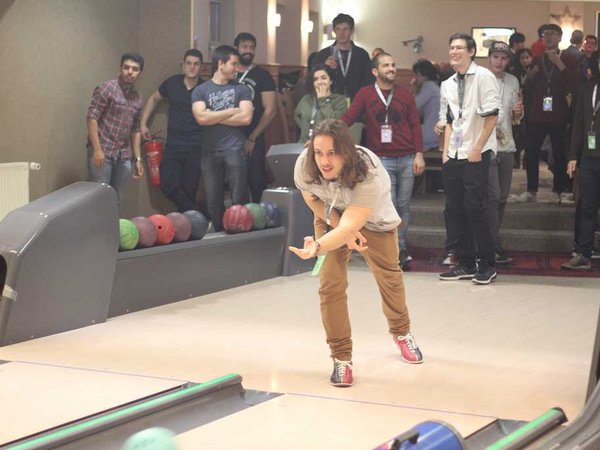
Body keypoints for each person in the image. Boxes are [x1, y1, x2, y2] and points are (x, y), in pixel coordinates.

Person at [289, 118, 423, 387]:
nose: (324, 161)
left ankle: (402, 332)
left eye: (332, 153)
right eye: (319, 153)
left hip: (374, 220)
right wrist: (339, 230)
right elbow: (312, 198)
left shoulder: (368, 173)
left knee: (389, 276)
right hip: (331, 214)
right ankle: (341, 358)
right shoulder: (305, 165)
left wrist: (319, 246)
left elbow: (354, 223)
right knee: (330, 285)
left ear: (346, 153)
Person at [342, 52, 425, 269]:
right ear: (375, 71)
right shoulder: (365, 94)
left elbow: (415, 124)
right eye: (386, 65)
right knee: (389, 206)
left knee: (403, 205)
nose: (391, 68)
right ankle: (394, 250)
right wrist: (327, 134)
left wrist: (419, 154)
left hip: (407, 157)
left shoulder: (405, 94)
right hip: (382, 160)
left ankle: (401, 246)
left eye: (393, 64)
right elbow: (349, 117)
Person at [438, 33, 500, 285]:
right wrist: (444, 152)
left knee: (475, 208)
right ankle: (463, 261)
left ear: (472, 51)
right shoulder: (448, 83)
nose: (454, 52)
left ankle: (486, 263)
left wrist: (477, 147)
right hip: (453, 152)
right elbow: (450, 120)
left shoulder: (484, 77)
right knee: (454, 209)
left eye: (459, 48)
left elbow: (492, 116)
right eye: (451, 47)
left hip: (476, 151)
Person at [514, 24, 579, 204]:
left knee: (559, 153)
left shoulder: (567, 58)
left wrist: (560, 65)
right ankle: (531, 190)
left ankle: (558, 190)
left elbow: (575, 83)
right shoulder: (536, 59)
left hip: (558, 113)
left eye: (552, 34)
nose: (548, 37)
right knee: (531, 152)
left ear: (559, 37)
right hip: (538, 114)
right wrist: (532, 76)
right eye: (545, 34)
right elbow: (526, 87)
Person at [191, 45, 252, 231]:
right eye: (233, 64)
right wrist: (231, 111)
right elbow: (201, 118)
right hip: (209, 151)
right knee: (212, 199)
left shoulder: (241, 89)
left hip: (234, 148)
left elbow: (246, 118)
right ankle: (218, 232)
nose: (237, 68)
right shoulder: (201, 90)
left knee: (238, 196)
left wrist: (214, 116)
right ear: (221, 63)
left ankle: (240, 233)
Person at [140, 49, 204, 212]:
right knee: (167, 184)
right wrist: (143, 124)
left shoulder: (205, 88)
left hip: (196, 147)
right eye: (188, 63)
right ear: (183, 65)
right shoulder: (172, 83)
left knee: (189, 188)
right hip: (174, 145)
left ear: (201, 67)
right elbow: (154, 98)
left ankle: (188, 230)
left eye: (196, 64)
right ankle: (196, 213)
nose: (192, 67)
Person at [87, 52, 145, 201]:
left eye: (135, 69)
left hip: (123, 155)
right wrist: (97, 149)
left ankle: (112, 225)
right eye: (126, 67)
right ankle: (98, 225)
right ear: (121, 68)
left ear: (140, 72)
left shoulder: (137, 98)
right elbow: (92, 118)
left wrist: (138, 158)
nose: (130, 72)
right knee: (100, 198)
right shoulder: (107, 88)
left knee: (116, 198)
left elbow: (136, 130)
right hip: (103, 151)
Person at [487, 42, 524, 264]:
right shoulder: (480, 79)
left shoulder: (513, 81)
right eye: (496, 57)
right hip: (487, 145)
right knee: (491, 196)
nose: (500, 61)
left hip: (507, 144)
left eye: (504, 58)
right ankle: (491, 243)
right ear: (489, 58)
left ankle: (493, 239)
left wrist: (518, 113)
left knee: (501, 198)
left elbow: (517, 119)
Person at [562, 66, 600, 270]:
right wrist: (573, 155)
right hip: (589, 157)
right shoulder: (588, 88)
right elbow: (578, 123)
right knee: (587, 206)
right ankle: (584, 252)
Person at [234, 32, 277, 203]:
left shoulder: (262, 75)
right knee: (235, 182)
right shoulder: (229, 72)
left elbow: (271, 110)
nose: (248, 51)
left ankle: (260, 218)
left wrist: (252, 137)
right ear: (236, 47)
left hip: (253, 136)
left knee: (255, 179)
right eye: (244, 46)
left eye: (252, 47)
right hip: (230, 136)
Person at [315, 13, 373, 101]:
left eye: (345, 29)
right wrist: (324, 66)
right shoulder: (323, 55)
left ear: (351, 30)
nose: (341, 33)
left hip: (356, 103)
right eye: (338, 29)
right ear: (334, 31)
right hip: (330, 104)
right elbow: (312, 80)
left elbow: (369, 82)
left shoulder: (362, 55)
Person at [295, 64, 348, 143]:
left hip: (329, 143)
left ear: (330, 81)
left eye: (324, 78)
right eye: (315, 79)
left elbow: (333, 123)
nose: (319, 82)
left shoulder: (340, 100)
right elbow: (297, 115)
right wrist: (306, 129)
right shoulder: (306, 99)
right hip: (304, 144)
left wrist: (322, 100)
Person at [412, 59, 441, 151]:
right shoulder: (434, 86)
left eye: (415, 75)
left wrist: (414, 88)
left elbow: (413, 106)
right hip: (436, 132)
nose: (414, 79)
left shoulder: (428, 86)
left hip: (431, 133)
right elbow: (419, 112)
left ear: (420, 74)